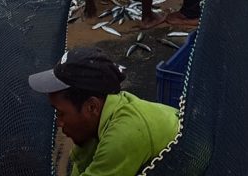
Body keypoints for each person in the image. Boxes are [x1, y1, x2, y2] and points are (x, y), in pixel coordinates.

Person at [28, 47, 178, 176]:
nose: (59, 123)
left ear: (92, 107)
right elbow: (81, 166)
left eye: (61, 113)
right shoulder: (104, 113)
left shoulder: (123, 136)